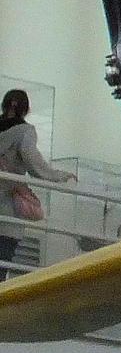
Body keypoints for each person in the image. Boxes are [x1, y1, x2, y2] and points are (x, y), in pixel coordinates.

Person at [0, 90, 74, 264]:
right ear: (25, 109)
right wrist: (60, 176)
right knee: (2, 261)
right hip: (7, 207)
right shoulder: (25, 132)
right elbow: (35, 165)